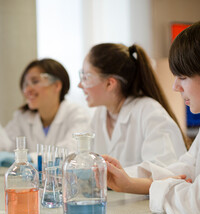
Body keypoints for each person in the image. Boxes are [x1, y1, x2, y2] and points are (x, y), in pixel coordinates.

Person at [104, 17, 200, 214]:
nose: (175, 87)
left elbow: (199, 204)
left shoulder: (149, 111)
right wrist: (128, 182)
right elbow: (186, 169)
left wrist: (160, 189)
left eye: (184, 76)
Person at [78, 42, 189, 175]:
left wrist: (114, 176)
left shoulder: (149, 112)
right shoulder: (100, 114)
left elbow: (166, 172)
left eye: (86, 77)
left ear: (109, 83)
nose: (80, 85)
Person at [0, 58, 91, 173]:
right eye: (25, 84)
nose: (27, 90)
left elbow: (71, 152)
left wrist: (27, 158)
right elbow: (1, 141)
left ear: (57, 85)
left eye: (35, 82)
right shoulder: (23, 117)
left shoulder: (77, 115)